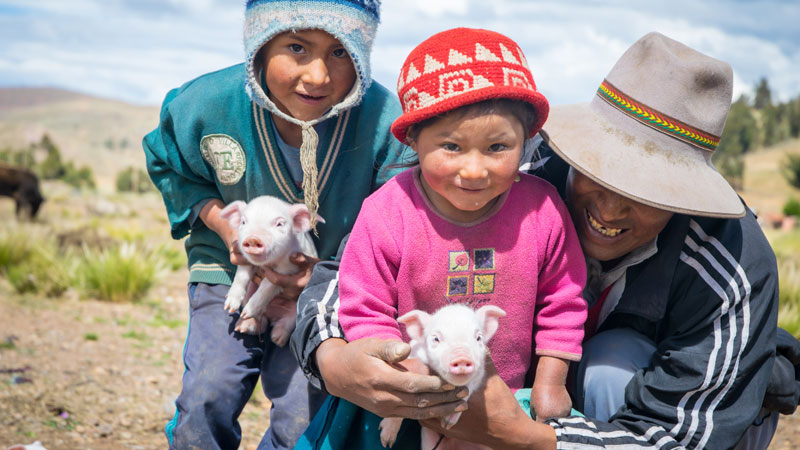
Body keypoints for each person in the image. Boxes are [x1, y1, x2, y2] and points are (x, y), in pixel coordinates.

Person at [291, 32, 799, 449]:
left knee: (610, 366)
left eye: (645, 192)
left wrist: (531, 438)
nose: (610, 209)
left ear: (684, 197)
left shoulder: (731, 262)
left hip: (659, 416)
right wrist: (332, 357)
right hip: (487, 392)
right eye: (599, 173)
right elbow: (349, 273)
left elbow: (686, 436)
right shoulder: (502, 167)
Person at [142, 1, 412, 448]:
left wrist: (323, 278)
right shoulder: (204, 106)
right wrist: (222, 225)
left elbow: (396, 219)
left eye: (342, 52)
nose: (319, 76)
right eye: (297, 47)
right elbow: (171, 165)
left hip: (331, 290)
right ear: (259, 46)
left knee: (302, 418)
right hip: (228, 272)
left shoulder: (386, 124)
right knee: (209, 394)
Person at [336, 27, 587, 436]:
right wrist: (405, 375)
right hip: (408, 401)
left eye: (497, 148)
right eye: (451, 147)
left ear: (526, 141)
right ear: (414, 140)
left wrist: (550, 382)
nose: (474, 170)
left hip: (508, 405)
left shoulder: (542, 210)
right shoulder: (387, 212)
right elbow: (365, 308)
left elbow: (564, 299)